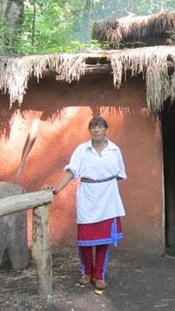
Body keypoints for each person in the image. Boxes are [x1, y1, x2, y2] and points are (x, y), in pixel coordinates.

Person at [45, 116, 126, 290]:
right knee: (86, 240)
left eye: (100, 126)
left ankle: (99, 275)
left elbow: (119, 174)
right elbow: (71, 171)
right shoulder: (82, 150)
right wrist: (57, 189)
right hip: (87, 198)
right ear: (90, 131)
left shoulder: (114, 150)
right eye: (93, 127)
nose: (96, 130)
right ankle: (87, 272)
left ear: (106, 130)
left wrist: (104, 185)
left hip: (108, 201)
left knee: (103, 241)